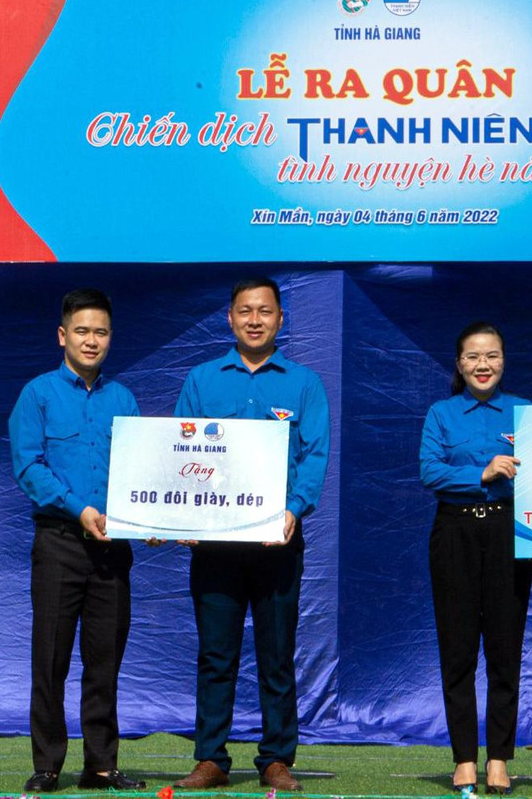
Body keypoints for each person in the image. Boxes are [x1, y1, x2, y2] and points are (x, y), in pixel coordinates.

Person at [171, 277, 330, 792]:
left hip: (276, 541)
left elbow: (314, 457)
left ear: (280, 319)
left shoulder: (304, 384)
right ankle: (211, 758)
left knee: (276, 655)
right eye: (245, 311)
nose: (254, 320)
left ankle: (277, 758)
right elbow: (180, 453)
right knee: (215, 656)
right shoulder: (202, 380)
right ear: (230, 318)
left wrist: (294, 509)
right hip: (215, 545)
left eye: (264, 311)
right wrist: (184, 516)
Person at [8, 288, 147, 793]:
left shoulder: (123, 400)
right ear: (63, 335)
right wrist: (79, 509)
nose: (92, 341)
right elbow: (29, 466)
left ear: (110, 338)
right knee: (50, 658)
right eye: (82, 331)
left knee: (105, 660)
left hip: (113, 548)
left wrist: (150, 519)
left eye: (101, 332)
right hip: (59, 542)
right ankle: (47, 765)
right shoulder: (38, 395)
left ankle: (101, 765)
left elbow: (143, 472)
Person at [419, 322, 532, 795]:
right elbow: (430, 471)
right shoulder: (441, 413)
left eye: (491, 356)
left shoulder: (525, 412)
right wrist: (481, 474)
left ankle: (499, 759)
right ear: (459, 364)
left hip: (510, 533)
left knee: (505, 650)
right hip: (455, 533)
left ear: (503, 361)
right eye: (472, 357)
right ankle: (464, 758)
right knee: (458, 649)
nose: (482, 365)